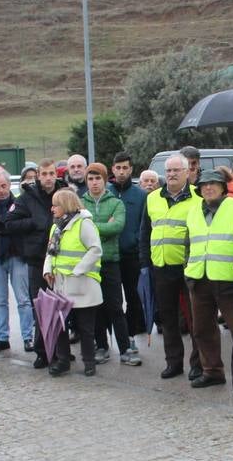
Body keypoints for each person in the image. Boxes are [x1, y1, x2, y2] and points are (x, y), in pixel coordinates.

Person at [185, 170, 233, 389]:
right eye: (204, 185)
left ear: (223, 187)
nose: (208, 187)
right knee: (202, 329)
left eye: (213, 184)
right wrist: (187, 268)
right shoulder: (193, 212)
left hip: (229, 278)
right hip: (199, 279)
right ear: (199, 189)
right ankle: (212, 371)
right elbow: (189, 244)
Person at [141, 154, 199, 380]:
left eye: (177, 170)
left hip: (189, 266)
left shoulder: (197, 197)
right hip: (161, 266)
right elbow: (145, 233)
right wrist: (145, 263)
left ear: (187, 172)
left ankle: (198, 364)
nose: (172, 174)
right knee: (168, 319)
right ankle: (173, 362)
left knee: (196, 319)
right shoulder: (153, 198)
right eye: (168, 171)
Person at [83, 162, 141, 365]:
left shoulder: (116, 203)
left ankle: (125, 348)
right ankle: (101, 347)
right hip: (90, 264)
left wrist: (90, 227)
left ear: (105, 180)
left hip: (110, 261)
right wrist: (101, 226)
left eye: (98, 178)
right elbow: (79, 229)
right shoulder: (81, 203)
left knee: (115, 306)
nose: (94, 182)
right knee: (96, 307)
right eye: (90, 179)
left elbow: (116, 227)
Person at [44, 188, 103, 377]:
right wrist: (47, 270)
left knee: (86, 327)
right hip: (61, 284)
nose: (52, 208)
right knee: (59, 325)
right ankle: (63, 360)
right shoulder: (56, 226)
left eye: (56, 205)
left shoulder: (84, 224)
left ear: (66, 205)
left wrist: (78, 270)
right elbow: (50, 252)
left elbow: (95, 249)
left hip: (82, 284)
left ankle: (89, 361)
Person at [8, 161, 59, 367]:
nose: (48, 177)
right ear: (38, 176)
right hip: (37, 259)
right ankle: (42, 352)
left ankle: (59, 350)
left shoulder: (63, 193)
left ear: (56, 175)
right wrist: (33, 223)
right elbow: (9, 223)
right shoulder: (27, 198)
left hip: (61, 261)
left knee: (60, 308)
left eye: (52, 173)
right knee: (40, 307)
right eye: (44, 173)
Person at [0, 170, 33, 353]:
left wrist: (0, 222)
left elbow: (23, 225)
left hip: (17, 255)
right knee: (0, 300)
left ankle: (28, 337)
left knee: (23, 299)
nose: (1, 190)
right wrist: (8, 225)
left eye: (3, 186)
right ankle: (2, 337)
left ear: (9, 185)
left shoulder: (20, 202)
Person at [111, 152, 147, 355]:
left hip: (131, 255)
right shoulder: (106, 193)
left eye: (125, 168)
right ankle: (110, 340)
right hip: (109, 256)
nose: (122, 171)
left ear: (131, 169)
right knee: (113, 301)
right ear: (113, 169)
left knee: (134, 298)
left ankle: (131, 336)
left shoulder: (140, 195)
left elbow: (143, 226)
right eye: (118, 168)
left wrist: (135, 243)